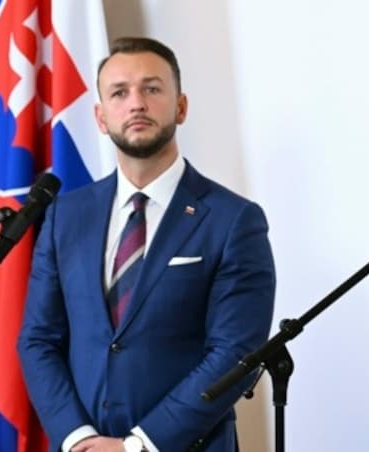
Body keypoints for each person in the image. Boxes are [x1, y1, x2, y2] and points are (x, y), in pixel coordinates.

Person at [17, 37, 275, 452]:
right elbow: (38, 339)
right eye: (120, 93)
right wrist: (78, 438)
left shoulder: (234, 220)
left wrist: (137, 446)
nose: (136, 103)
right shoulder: (64, 216)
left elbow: (235, 353)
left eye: (151, 89)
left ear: (181, 106)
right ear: (101, 117)